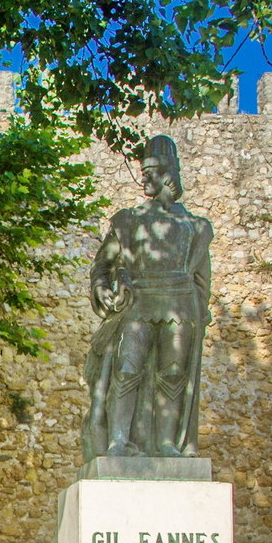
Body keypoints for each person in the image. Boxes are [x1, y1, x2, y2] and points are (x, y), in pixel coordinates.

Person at [81, 135, 214, 461]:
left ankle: (167, 444)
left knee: (172, 375)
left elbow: (201, 280)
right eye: (143, 169)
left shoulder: (194, 227)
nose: (144, 176)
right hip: (138, 302)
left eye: (151, 170)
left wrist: (202, 312)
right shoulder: (129, 221)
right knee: (127, 371)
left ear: (169, 173)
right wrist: (102, 289)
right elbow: (102, 266)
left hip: (180, 305)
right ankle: (118, 442)